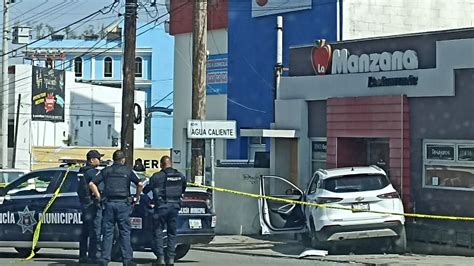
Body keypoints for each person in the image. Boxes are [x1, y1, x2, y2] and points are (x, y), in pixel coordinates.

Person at [89, 150, 144, 266]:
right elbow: (140, 184)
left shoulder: (106, 170)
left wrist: (99, 197)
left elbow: (91, 184)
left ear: (114, 159)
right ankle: (127, 260)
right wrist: (137, 198)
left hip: (109, 204)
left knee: (108, 233)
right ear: (123, 160)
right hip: (123, 205)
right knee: (124, 232)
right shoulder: (128, 171)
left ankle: (104, 259)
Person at [143, 155, 186, 266]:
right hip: (174, 207)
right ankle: (170, 259)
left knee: (158, 232)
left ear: (161, 164)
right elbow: (183, 189)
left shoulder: (157, 176)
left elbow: (146, 189)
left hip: (161, 208)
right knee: (172, 233)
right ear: (171, 163)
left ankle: (160, 258)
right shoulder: (180, 176)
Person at [77, 149, 104, 264]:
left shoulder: (81, 171)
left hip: (84, 204)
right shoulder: (92, 172)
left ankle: (83, 255)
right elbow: (100, 187)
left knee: (85, 232)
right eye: (98, 158)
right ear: (92, 160)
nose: (100, 160)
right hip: (92, 205)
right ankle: (93, 256)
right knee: (94, 231)